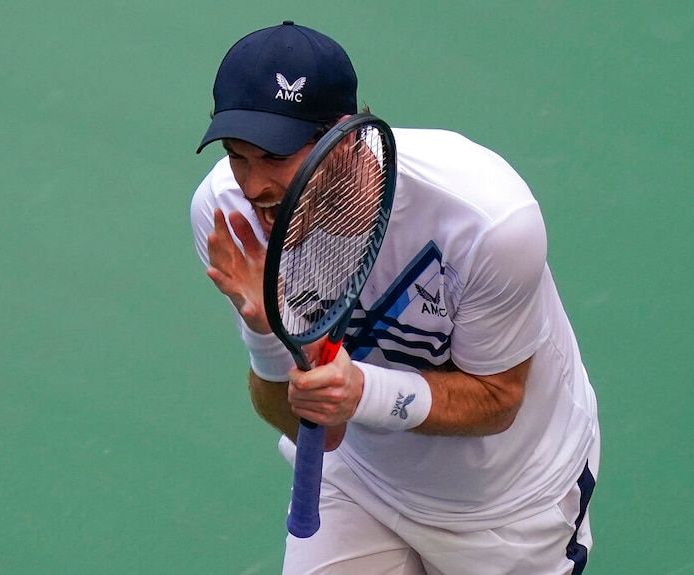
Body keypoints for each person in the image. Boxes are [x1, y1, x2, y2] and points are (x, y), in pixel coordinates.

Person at [190, 21, 600, 575]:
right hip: (359, 482)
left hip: (510, 506)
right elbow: (320, 432)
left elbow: (499, 397)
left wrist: (362, 391)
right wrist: (266, 331)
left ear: (344, 138)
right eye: (238, 156)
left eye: (274, 157)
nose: (253, 185)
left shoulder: (484, 220)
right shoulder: (231, 220)